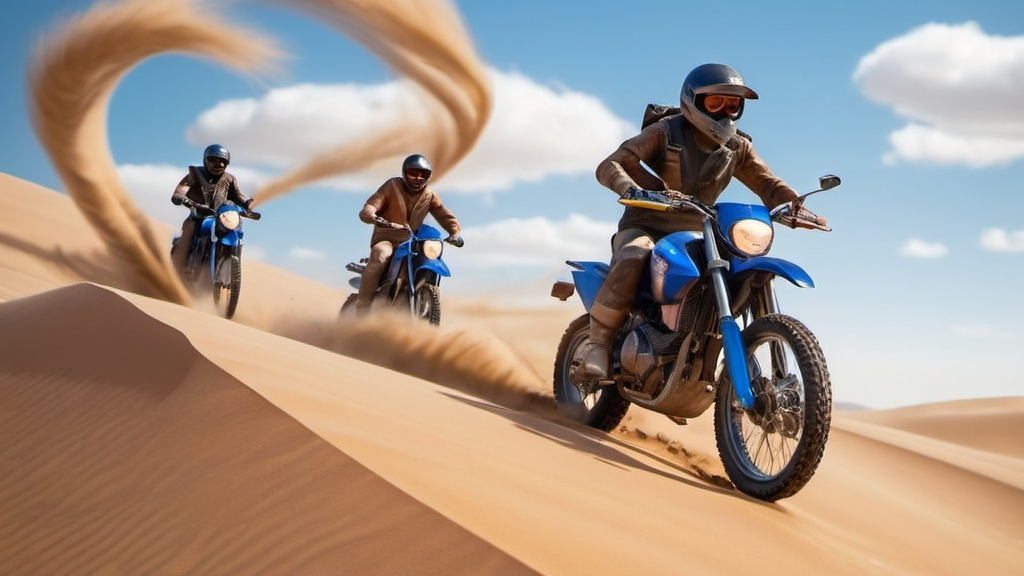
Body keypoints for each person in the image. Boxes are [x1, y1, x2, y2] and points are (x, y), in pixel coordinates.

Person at [578, 63, 828, 380]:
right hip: (646, 227)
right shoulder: (665, 132)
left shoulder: (737, 147)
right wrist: (631, 188)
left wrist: (795, 206)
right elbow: (613, 163)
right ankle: (598, 345)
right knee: (635, 254)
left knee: (740, 268)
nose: (725, 113)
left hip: (700, 235)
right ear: (692, 101)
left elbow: (767, 183)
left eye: (733, 105)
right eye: (715, 103)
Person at [355, 153, 464, 315]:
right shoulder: (392, 186)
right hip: (387, 238)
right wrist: (371, 214)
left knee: (426, 257)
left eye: (423, 175)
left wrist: (454, 232)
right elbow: (372, 204)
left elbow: (443, 213)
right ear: (405, 173)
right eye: (413, 173)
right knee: (381, 255)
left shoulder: (429, 195)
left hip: (412, 242)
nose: (418, 178)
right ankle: (362, 306)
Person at [170, 144, 253, 275]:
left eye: (223, 161)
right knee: (189, 234)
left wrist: (248, 203)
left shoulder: (229, 179)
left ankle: (231, 264)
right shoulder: (195, 173)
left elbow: (238, 196)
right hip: (198, 214)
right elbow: (181, 189)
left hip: (221, 216)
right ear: (205, 159)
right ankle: (181, 268)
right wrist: (180, 197)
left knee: (236, 228)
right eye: (214, 160)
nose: (218, 164)